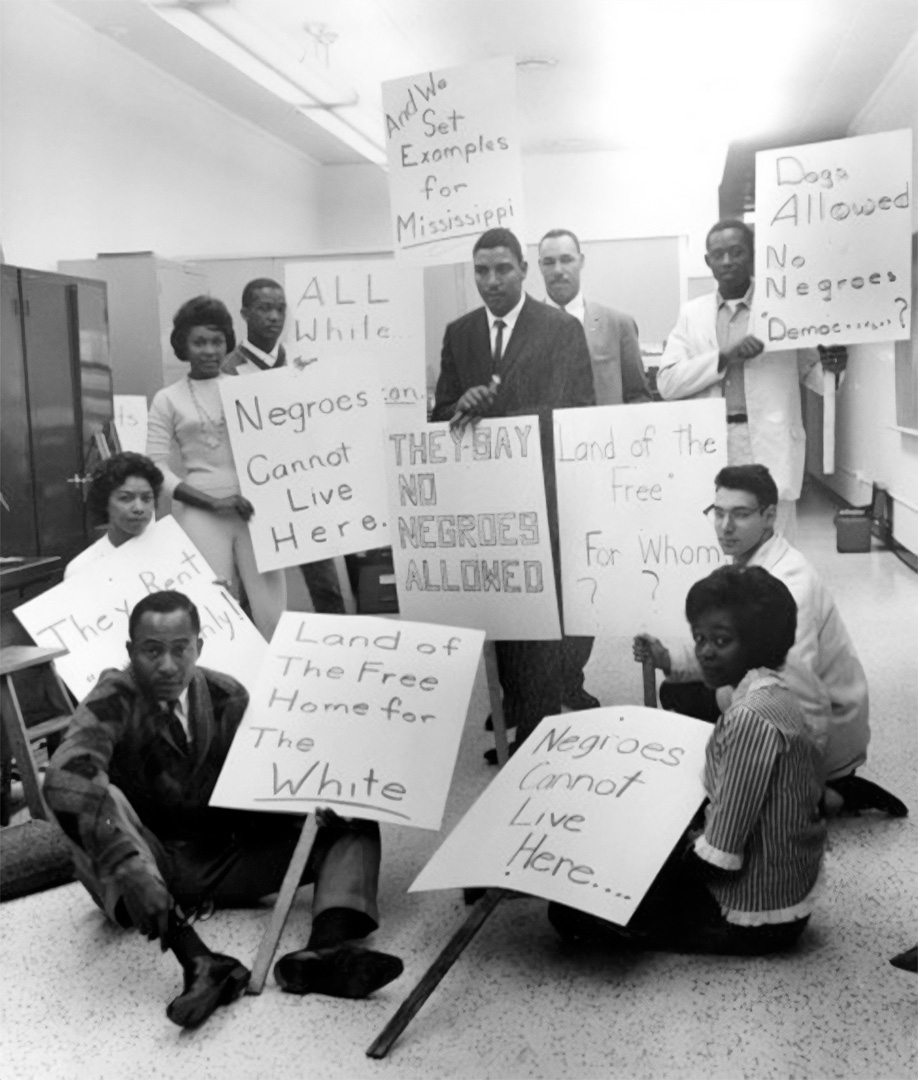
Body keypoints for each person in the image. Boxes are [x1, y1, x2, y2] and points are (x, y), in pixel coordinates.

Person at [43, 590, 402, 1029]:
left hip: (220, 857)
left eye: (181, 649)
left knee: (349, 807)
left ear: (199, 647)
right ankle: (198, 960)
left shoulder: (227, 696)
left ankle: (323, 952)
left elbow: (260, 784)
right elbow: (64, 777)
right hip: (143, 870)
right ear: (130, 651)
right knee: (100, 801)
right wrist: (126, 864)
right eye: (152, 651)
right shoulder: (113, 696)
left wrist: (318, 797)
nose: (168, 665)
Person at [552, 565, 826, 955]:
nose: (705, 652)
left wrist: (643, 881)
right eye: (700, 638)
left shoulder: (750, 717)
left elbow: (721, 852)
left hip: (757, 915)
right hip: (782, 890)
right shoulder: (773, 694)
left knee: (568, 913)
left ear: (759, 643)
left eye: (721, 640)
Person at [634, 464, 906, 816]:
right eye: (718, 513)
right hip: (778, 696)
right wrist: (669, 658)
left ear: (769, 516)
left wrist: (799, 789)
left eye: (741, 514)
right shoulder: (750, 565)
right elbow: (726, 641)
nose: (726, 526)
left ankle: (831, 793)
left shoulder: (787, 587)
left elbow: (804, 700)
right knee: (676, 690)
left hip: (825, 729)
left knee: (733, 776)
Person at [431, 227, 595, 760]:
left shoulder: (559, 328)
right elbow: (439, 417)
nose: (492, 280)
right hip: (486, 501)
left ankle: (536, 738)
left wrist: (499, 417)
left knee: (543, 622)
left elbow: (576, 411)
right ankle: (515, 717)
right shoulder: (459, 334)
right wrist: (461, 405)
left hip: (545, 495)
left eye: (502, 269)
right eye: (481, 271)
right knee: (503, 616)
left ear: (524, 270)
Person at [655, 219, 846, 541]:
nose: (727, 261)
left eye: (736, 252)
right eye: (718, 254)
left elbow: (816, 379)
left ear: (752, 256)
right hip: (713, 439)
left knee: (776, 537)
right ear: (708, 262)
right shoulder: (692, 314)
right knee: (720, 534)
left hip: (771, 438)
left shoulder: (783, 308)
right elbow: (668, 384)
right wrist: (723, 357)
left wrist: (835, 367)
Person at [538, 227, 653, 711]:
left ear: (581, 261)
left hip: (600, 478)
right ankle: (530, 686)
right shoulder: (526, 328)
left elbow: (638, 396)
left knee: (587, 586)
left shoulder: (617, 322)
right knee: (541, 591)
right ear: (538, 269)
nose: (559, 270)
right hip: (540, 478)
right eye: (548, 262)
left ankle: (569, 679)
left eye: (566, 259)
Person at [146, 295, 286, 640]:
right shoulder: (167, 398)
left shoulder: (249, 388)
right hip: (200, 513)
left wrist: (304, 377)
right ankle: (220, 688)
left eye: (217, 341)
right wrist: (212, 503)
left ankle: (276, 686)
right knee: (213, 608)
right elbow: (154, 466)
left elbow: (287, 437)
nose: (209, 350)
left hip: (255, 511)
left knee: (274, 611)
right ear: (183, 346)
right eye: (199, 342)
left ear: (228, 342)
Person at [222, 277, 348, 617]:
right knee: (257, 593)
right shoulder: (228, 371)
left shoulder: (302, 364)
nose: (274, 317)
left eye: (280, 309)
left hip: (305, 494)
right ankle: (258, 663)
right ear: (245, 313)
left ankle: (340, 657)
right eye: (264, 309)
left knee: (327, 588)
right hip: (257, 495)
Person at [64, 452, 164, 579]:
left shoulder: (176, 553)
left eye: (146, 498)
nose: (139, 508)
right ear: (105, 502)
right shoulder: (82, 569)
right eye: (126, 498)